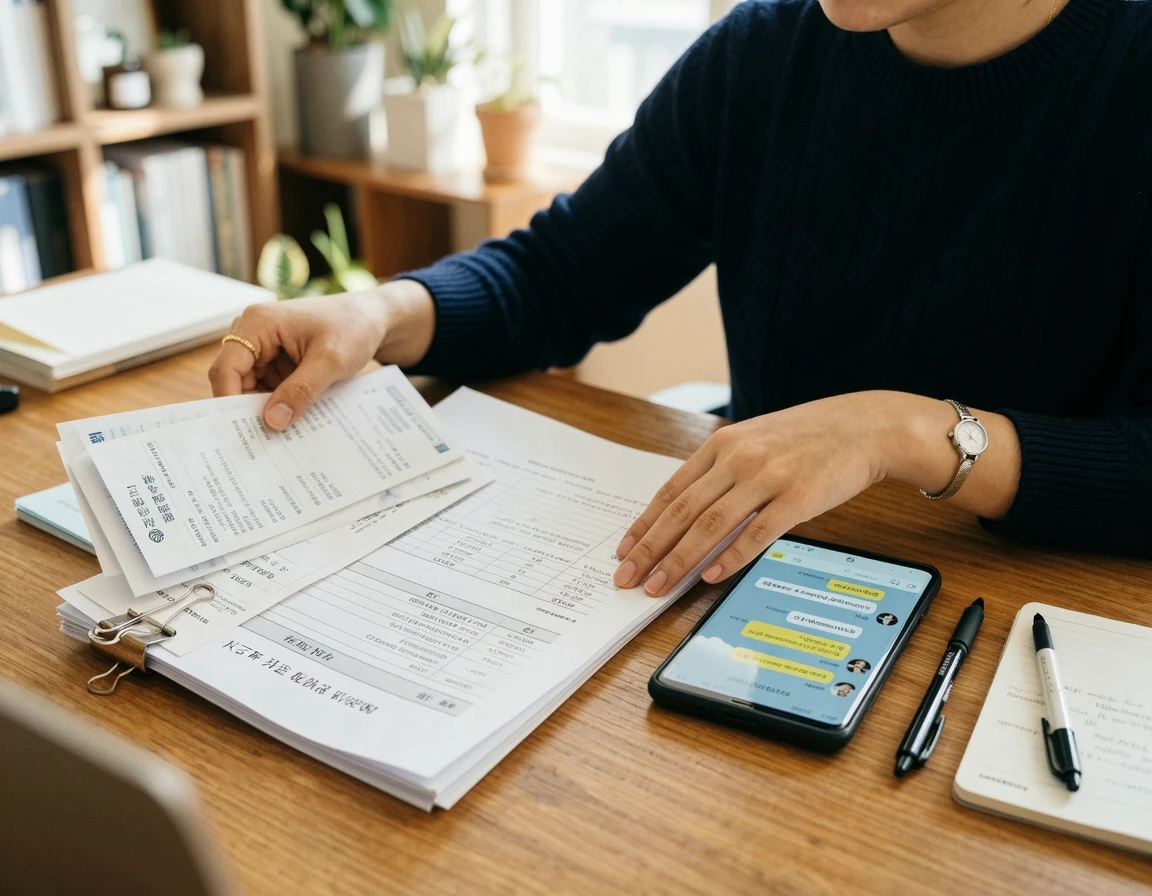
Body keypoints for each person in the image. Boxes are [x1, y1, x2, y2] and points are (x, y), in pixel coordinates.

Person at [211, 0, 1152, 603]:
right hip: (758, 584)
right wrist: (380, 314)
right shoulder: (760, 54)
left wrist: (903, 433)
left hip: (1033, 615)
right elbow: (563, 274)